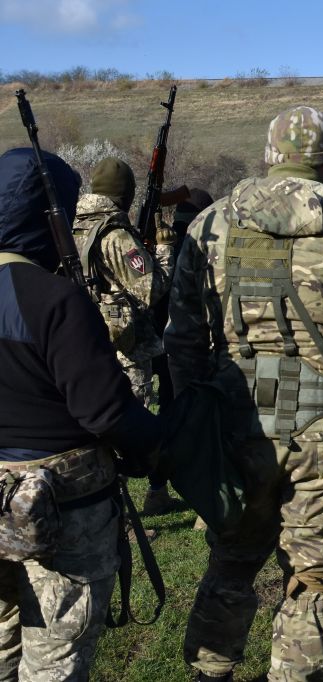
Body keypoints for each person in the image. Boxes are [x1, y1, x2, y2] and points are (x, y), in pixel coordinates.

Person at [165, 105, 323, 681]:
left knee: (230, 558)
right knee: (314, 571)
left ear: (270, 155)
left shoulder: (213, 224)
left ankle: (209, 672)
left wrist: (195, 417)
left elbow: (182, 337)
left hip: (233, 421)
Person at [0, 148, 161, 679]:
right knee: (54, 656)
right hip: (61, 514)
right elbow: (105, 412)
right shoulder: (54, 301)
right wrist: (156, 444)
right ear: (49, 219)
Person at [71, 157, 176, 516]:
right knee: (126, 427)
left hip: (82, 341)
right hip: (123, 345)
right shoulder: (114, 234)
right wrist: (163, 250)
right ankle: (118, 515)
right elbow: (151, 288)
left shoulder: (73, 226)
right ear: (125, 195)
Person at [147, 187, 214, 519]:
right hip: (191, 351)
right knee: (201, 422)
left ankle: (156, 490)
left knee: (168, 419)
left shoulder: (160, 246)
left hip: (157, 348)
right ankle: (205, 500)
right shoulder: (204, 249)